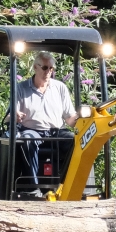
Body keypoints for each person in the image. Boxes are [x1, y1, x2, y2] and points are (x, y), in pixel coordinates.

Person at [11, 51, 78, 195]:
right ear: (35, 67)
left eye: (51, 68)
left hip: (56, 132)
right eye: (45, 68)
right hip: (31, 130)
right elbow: (11, 115)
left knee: (77, 141)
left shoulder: (60, 88)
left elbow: (69, 118)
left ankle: (64, 185)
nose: (49, 71)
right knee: (27, 140)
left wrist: (83, 119)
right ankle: (34, 188)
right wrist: (15, 116)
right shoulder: (21, 88)